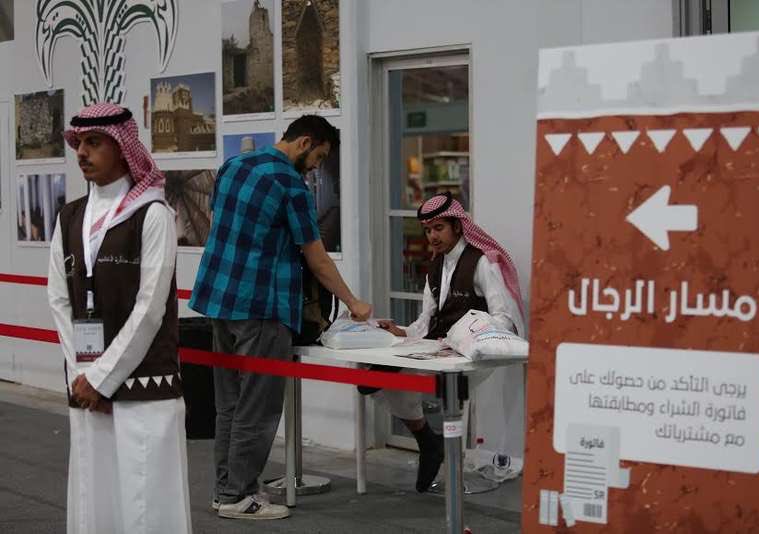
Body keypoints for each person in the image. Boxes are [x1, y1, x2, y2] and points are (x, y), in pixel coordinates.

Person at [189, 114, 372, 520]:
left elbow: (223, 223)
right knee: (258, 407)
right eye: (318, 157)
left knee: (229, 406)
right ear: (305, 142)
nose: (315, 168)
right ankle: (238, 496)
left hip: (220, 300)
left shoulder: (234, 165)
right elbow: (316, 258)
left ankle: (226, 490)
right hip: (263, 307)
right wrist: (353, 302)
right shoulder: (291, 184)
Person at [47, 103, 191, 533]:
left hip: (145, 390)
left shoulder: (154, 215)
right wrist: (84, 374)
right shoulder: (69, 218)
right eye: (79, 143)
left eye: (94, 143)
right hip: (86, 386)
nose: (82, 153)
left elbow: (150, 309)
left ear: (123, 149)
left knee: (146, 503)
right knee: (95, 501)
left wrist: (102, 377)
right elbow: (59, 298)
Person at [364, 192, 525, 493]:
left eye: (438, 228)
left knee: (387, 376)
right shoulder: (435, 267)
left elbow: (503, 318)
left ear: (458, 227)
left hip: (473, 357)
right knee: (373, 375)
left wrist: (469, 336)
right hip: (437, 351)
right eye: (428, 230)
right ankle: (427, 440)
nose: (432, 237)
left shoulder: (482, 263)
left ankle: (431, 445)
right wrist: (400, 332)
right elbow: (425, 322)